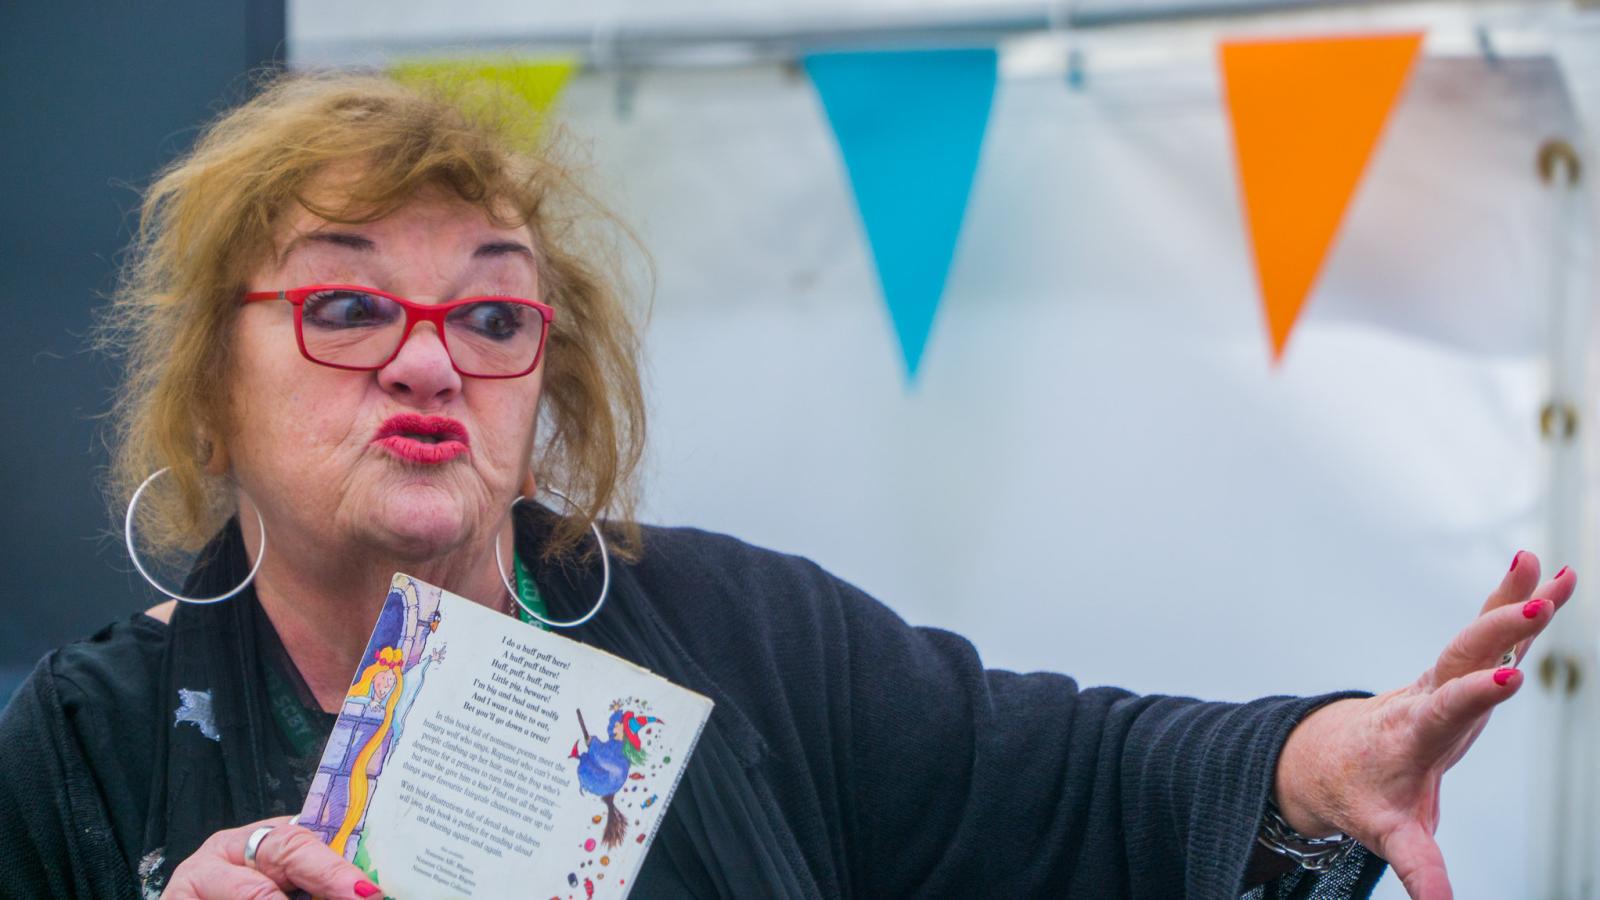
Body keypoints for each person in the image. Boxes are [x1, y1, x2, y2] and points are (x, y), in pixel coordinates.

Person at [0, 70, 1571, 900]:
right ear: (214, 380)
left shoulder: (734, 631)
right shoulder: (80, 746)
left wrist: (1318, 764)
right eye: (345, 306)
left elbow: (1074, 778)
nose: (428, 365)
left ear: (547, 389)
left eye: (491, 316)